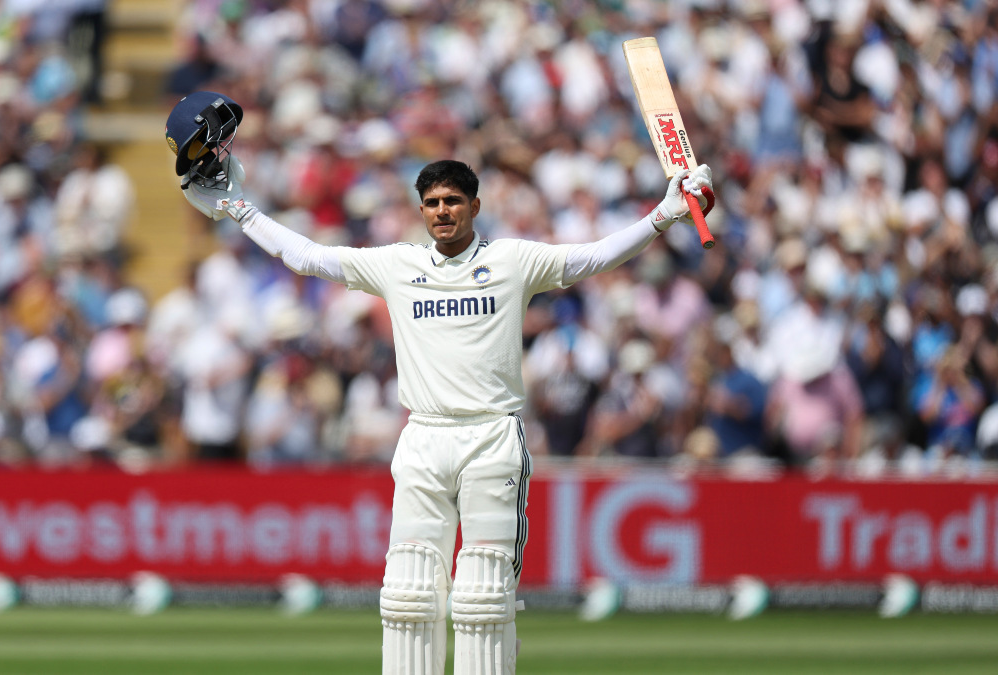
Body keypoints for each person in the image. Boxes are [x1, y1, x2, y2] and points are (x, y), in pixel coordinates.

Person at [167, 91, 713, 675]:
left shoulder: (512, 261)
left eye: (453, 201)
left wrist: (664, 215)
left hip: (491, 438)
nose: (442, 212)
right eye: (431, 203)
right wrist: (241, 211)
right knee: (407, 595)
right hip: (423, 438)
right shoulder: (399, 266)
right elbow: (307, 257)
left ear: (475, 205)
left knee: (481, 599)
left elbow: (594, 258)